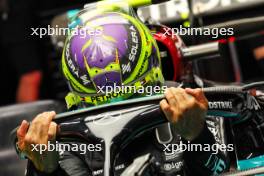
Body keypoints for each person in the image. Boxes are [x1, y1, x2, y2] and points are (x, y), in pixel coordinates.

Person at [15, 6, 228, 176]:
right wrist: (46, 170)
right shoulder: (65, 138)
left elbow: (222, 169)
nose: (116, 114)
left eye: (132, 97)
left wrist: (197, 136)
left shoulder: (191, 105)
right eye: (101, 104)